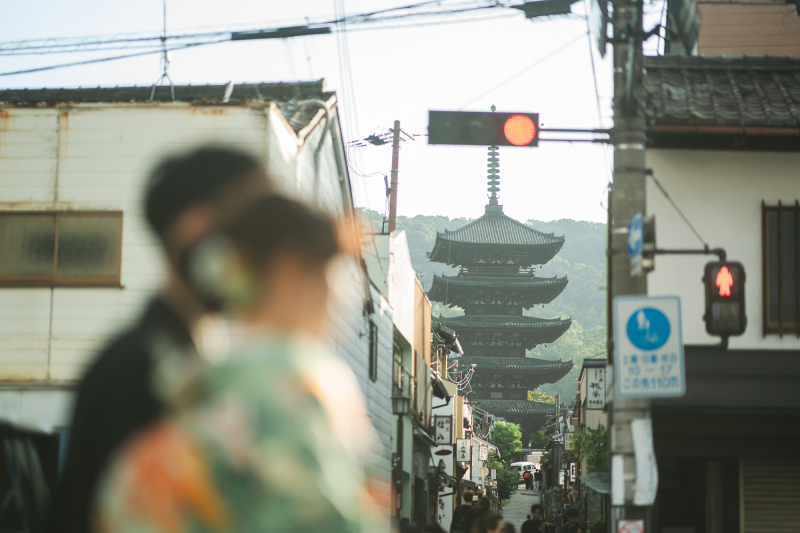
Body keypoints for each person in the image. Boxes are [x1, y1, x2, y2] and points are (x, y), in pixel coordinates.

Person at [93, 194, 376, 533]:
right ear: (289, 272)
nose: (342, 294)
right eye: (335, 271)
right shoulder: (306, 391)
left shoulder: (181, 391)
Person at [48, 147, 273, 533]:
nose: (262, 251)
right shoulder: (137, 367)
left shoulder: (189, 354)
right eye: (248, 230)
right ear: (194, 227)